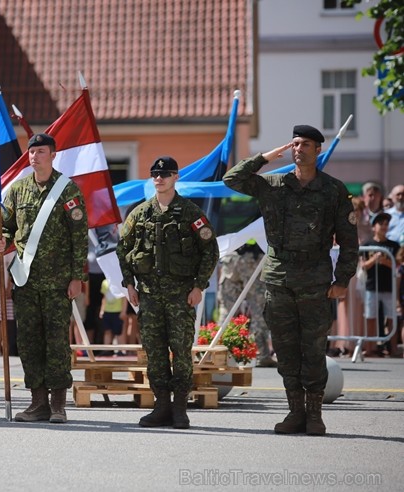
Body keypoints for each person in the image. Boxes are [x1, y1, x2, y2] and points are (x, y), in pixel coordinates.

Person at [223, 124, 358, 436]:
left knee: (312, 349)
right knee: (285, 350)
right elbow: (233, 178)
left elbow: (350, 241)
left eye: (306, 144)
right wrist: (266, 157)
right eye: (295, 143)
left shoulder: (333, 190)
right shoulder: (273, 184)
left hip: (316, 280)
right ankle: (295, 412)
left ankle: (314, 415)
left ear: (318, 150)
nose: (299, 149)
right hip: (279, 278)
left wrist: (343, 279)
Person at [117, 156, 219, 429]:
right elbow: (122, 249)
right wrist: (129, 284)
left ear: (176, 178)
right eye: (155, 174)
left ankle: (180, 408)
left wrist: (200, 285)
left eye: (165, 174)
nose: (159, 178)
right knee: (155, 352)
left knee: (182, 351)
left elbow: (210, 250)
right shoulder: (139, 213)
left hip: (180, 295)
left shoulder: (190, 213)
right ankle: (161, 406)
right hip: (149, 295)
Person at [0, 133, 89, 424]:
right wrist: (1, 242)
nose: (35, 156)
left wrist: (77, 278)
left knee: (57, 341)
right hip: (25, 281)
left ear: (53, 154)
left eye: (41, 152)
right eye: (31, 152)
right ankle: (38, 402)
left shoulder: (68, 190)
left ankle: (58, 403)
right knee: (28, 341)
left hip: (59, 282)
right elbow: (8, 228)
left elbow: (79, 238)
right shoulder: (17, 190)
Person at [216, 241, 276, 367]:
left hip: (231, 258)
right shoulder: (261, 221)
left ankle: (217, 353)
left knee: (227, 311)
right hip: (252, 259)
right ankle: (263, 354)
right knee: (259, 310)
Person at [360, 213, 400, 357]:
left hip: (389, 287)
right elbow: (363, 266)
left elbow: (398, 265)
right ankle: (370, 348)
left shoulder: (393, 246)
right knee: (370, 318)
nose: (384, 226)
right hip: (372, 286)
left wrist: (385, 261)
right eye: (381, 224)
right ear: (374, 227)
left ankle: (393, 349)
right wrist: (374, 260)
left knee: (391, 318)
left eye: (386, 224)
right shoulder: (367, 245)